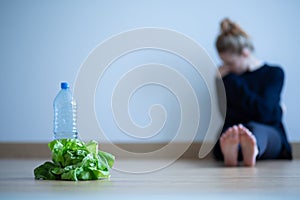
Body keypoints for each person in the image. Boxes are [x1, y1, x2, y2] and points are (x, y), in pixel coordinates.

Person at [213, 18, 292, 167]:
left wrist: (231, 80)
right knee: (230, 133)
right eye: (224, 63)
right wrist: (278, 111)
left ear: (245, 53)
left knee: (253, 131)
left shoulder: (274, 73)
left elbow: (265, 114)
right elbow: (226, 114)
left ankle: (251, 150)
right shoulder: (226, 77)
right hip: (235, 128)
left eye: (230, 63)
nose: (226, 68)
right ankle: (234, 150)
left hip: (267, 131)